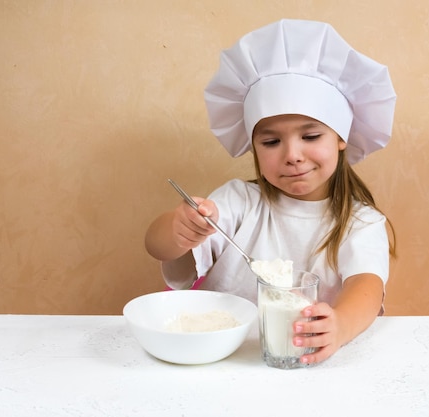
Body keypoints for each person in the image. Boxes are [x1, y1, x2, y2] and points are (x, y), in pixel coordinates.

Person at [145, 19, 396, 365]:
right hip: (225, 359)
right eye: (271, 141)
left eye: (310, 136)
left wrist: (340, 326)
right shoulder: (238, 202)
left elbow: (367, 287)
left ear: (341, 138)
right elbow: (158, 247)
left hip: (305, 361)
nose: (292, 154)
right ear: (253, 147)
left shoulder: (361, 222)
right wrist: (178, 229)